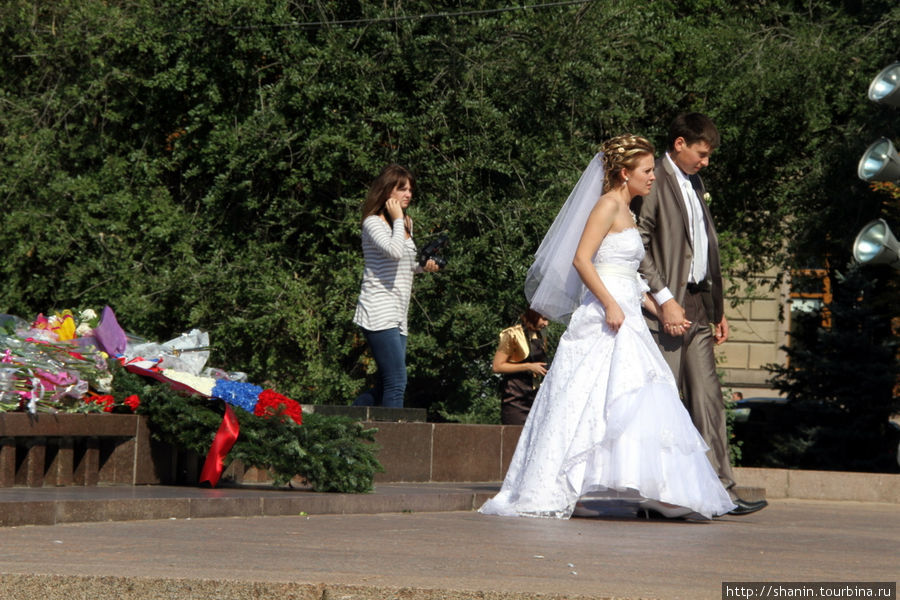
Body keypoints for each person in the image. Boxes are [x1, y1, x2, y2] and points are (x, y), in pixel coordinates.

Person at [479, 135, 736, 520]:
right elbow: (582, 261)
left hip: (627, 313)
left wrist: (659, 306)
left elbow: (629, 274)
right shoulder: (607, 205)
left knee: (638, 395)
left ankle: (657, 489)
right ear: (624, 173)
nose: (652, 178)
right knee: (588, 397)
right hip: (604, 316)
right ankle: (560, 485)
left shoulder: (630, 212)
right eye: (646, 171)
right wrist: (611, 305)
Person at [635, 113, 767, 516]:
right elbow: (635, 243)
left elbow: (705, 248)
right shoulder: (653, 180)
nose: (706, 162)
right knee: (662, 402)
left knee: (709, 400)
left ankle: (721, 492)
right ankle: (653, 496)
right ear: (679, 144)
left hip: (700, 307)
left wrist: (717, 308)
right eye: (702, 154)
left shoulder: (696, 183)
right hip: (664, 310)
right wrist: (662, 298)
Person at [352, 164, 439, 408]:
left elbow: (406, 263)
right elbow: (393, 251)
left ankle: (344, 425)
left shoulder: (405, 224)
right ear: (387, 191)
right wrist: (399, 220)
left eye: (410, 189)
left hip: (399, 313)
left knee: (384, 385)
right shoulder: (373, 223)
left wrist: (425, 267)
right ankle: (395, 441)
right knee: (397, 381)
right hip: (378, 310)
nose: (408, 194)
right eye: (402, 189)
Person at [492, 308, 550, 425]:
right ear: (533, 315)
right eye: (543, 319)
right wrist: (528, 366)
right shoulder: (511, 334)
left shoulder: (541, 334)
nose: (546, 324)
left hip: (536, 397)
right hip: (516, 398)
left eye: (548, 319)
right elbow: (497, 367)